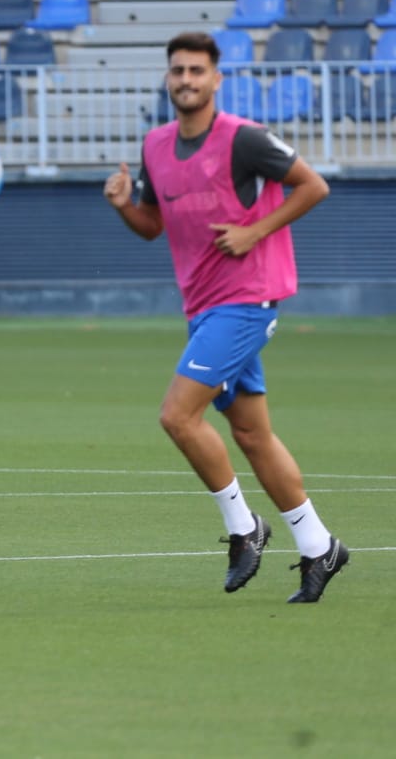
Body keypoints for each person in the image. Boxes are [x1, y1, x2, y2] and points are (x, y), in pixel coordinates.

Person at [104, 32, 347, 604]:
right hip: (203, 306)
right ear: (168, 79)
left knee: (177, 416)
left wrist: (255, 230)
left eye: (196, 70)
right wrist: (123, 206)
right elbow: (152, 225)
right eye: (177, 71)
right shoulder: (156, 147)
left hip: (248, 299)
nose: (185, 79)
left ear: (217, 79)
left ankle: (245, 530)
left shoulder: (244, 140)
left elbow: (314, 186)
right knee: (250, 434)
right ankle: (320, 547)